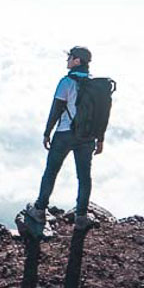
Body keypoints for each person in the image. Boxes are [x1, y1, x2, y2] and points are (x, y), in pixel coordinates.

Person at [26, 46, 103, 232]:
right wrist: (100, 139)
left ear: (77, 61)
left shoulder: (67, 82)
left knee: (51, 171)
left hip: (65, 134)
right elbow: (102, 115)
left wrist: (47, 132)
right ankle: (81, 217)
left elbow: (57, 109)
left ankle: (39, 209)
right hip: (87, 137)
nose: (67, 60)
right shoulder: (97, 86)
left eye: (70, 57)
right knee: (84, 176)